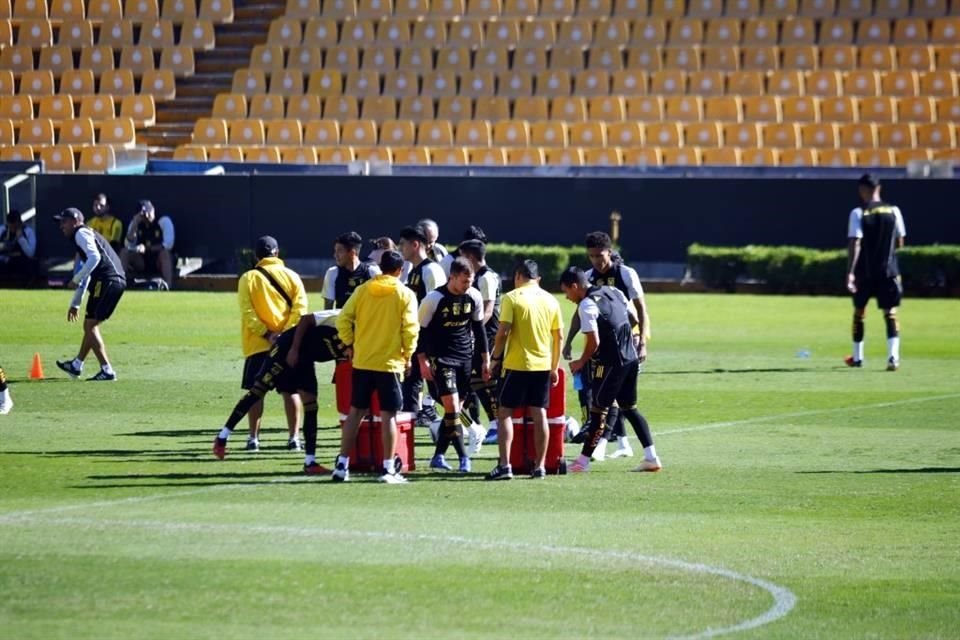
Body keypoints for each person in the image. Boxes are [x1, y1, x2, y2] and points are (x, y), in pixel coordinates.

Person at [213, 310, 347, 474]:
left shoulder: (367, 335)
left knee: (311, 405)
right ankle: (222, 437)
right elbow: (305, 319)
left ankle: (310, 462)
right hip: (287, 348)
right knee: (257, 391)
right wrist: (294, 350)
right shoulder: (342, 315)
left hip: (306, 360)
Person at [560, 267, 662, 473]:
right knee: (629, 408)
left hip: (611, 364)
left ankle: (582, 462)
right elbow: (633, 318)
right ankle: (652, 457)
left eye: (566, 292)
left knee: (598, 412)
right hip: (631, 359)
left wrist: (580, 362)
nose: (566, 297)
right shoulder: (613, 291)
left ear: (575, 286)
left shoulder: (586, 305)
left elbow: (593, 342)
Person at [333, 250, 419, 483]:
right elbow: (410, 329)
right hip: (390, 364)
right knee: (389, 415)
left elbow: (342, 319)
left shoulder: (363, 290)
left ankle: (342, 465)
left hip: (362, 361)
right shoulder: (404, 294)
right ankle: (388, 468)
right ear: (400, 271)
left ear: (381, 268)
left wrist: (349, 343)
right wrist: (409, 356)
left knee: (355, 413)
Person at [486, 259, 563, 481]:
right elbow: (558, 336)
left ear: (518, 276)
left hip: (517, 364)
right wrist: (554, 366)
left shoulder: (512, 297)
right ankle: (540, 467)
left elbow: (502, 333)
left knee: (504, 413)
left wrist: (495, 359)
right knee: (540, 414)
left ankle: (505, 465)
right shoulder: (551, 300)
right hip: (543, 365)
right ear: (537, 278)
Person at [237, 235, 308, 452]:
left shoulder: (248, 278)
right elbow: (301, 310)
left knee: (255, 392)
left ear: (256, 256)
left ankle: (253, 439)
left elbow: (248, 313)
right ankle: (294, 438)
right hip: (287, 347)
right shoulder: (293, 276)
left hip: (258, 345)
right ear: (276, 253)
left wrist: (267, 334)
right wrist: (284, 335)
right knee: (291, 391)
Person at [418, 257, 490, 473]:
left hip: (465, 358)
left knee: (455, 411)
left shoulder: (473, 296)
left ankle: (438, 456)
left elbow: (479, 330)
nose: (467, 286)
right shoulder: (434, 299)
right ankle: (463, 459)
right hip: (442, 358)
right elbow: (420, 332)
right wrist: (422, 361)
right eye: (463, 282)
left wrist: (485, 359)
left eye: (470, 281)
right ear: (452, 277)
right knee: (451, 407)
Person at [54, 208, 126, 382]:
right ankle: (77, 365)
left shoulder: (81, 233)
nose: (61, 226)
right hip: (110, 281)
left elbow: (94, 259)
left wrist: (75, 279)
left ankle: (107, 370)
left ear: (75, 221)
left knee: (90, 326)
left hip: (108, 281)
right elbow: (88, 271)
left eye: (64, 221)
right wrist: (76, 303)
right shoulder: (81, 236)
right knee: (90, 325)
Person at [845, 173, 907, 371]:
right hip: (889, 271)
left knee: (859, 313)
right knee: (890, 313)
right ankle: (893, 358)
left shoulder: (858, 213)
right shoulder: (894, 211)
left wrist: (851, 272)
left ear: (863, 190)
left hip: (866, 272)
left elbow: (856, 243)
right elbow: (900, 241)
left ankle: (858, 357)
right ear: (879, 188)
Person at [398, 224, 447, 426]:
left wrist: (427, 346)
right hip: (417, 339)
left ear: (415, 244)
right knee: (410, 384)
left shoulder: (431, 270)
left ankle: (471, 426)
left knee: (442, 392)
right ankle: (407, 437)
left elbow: (438, 308)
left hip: (431, 342)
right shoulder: (414, 271)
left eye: (402, 244)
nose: (400, 249)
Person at [456, 239, 501, 453]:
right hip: (480, 335)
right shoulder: (479, 277)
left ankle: (496, 424)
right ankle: (493, 423)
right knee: (476, 381)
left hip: (489, 335)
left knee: (485, 379)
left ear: (471, 257)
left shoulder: (486, 277)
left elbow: (489, 310)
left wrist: (472, 328)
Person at [120, 200, 175, 289]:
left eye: (149, 211)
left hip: (158, 259)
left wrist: (147, 248)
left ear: (153, 209)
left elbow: (168, 244)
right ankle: (120, 284)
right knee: (124, 252)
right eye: (144, 213)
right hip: (142, 260)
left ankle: (168, 286)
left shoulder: (163, 221)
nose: (147, 215)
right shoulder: (136, 222)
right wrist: (135, 223)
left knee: (165, 253)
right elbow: (128, 244)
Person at [322, 231, 380, 310]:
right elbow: (328, 310)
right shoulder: (332, 273)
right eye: (335, 251)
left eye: (339, 251)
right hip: (342, 320)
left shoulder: (373, 273)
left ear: (352, 253)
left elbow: (380, 305)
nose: (335, 255)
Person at [0, 209, 38, 278]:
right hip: (4, 262)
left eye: (14, 225)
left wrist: (21, 239)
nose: (12, 228)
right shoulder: (2, 230)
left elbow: (31, 254)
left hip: (21, 263)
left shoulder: (28, 232)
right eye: (10, 225)